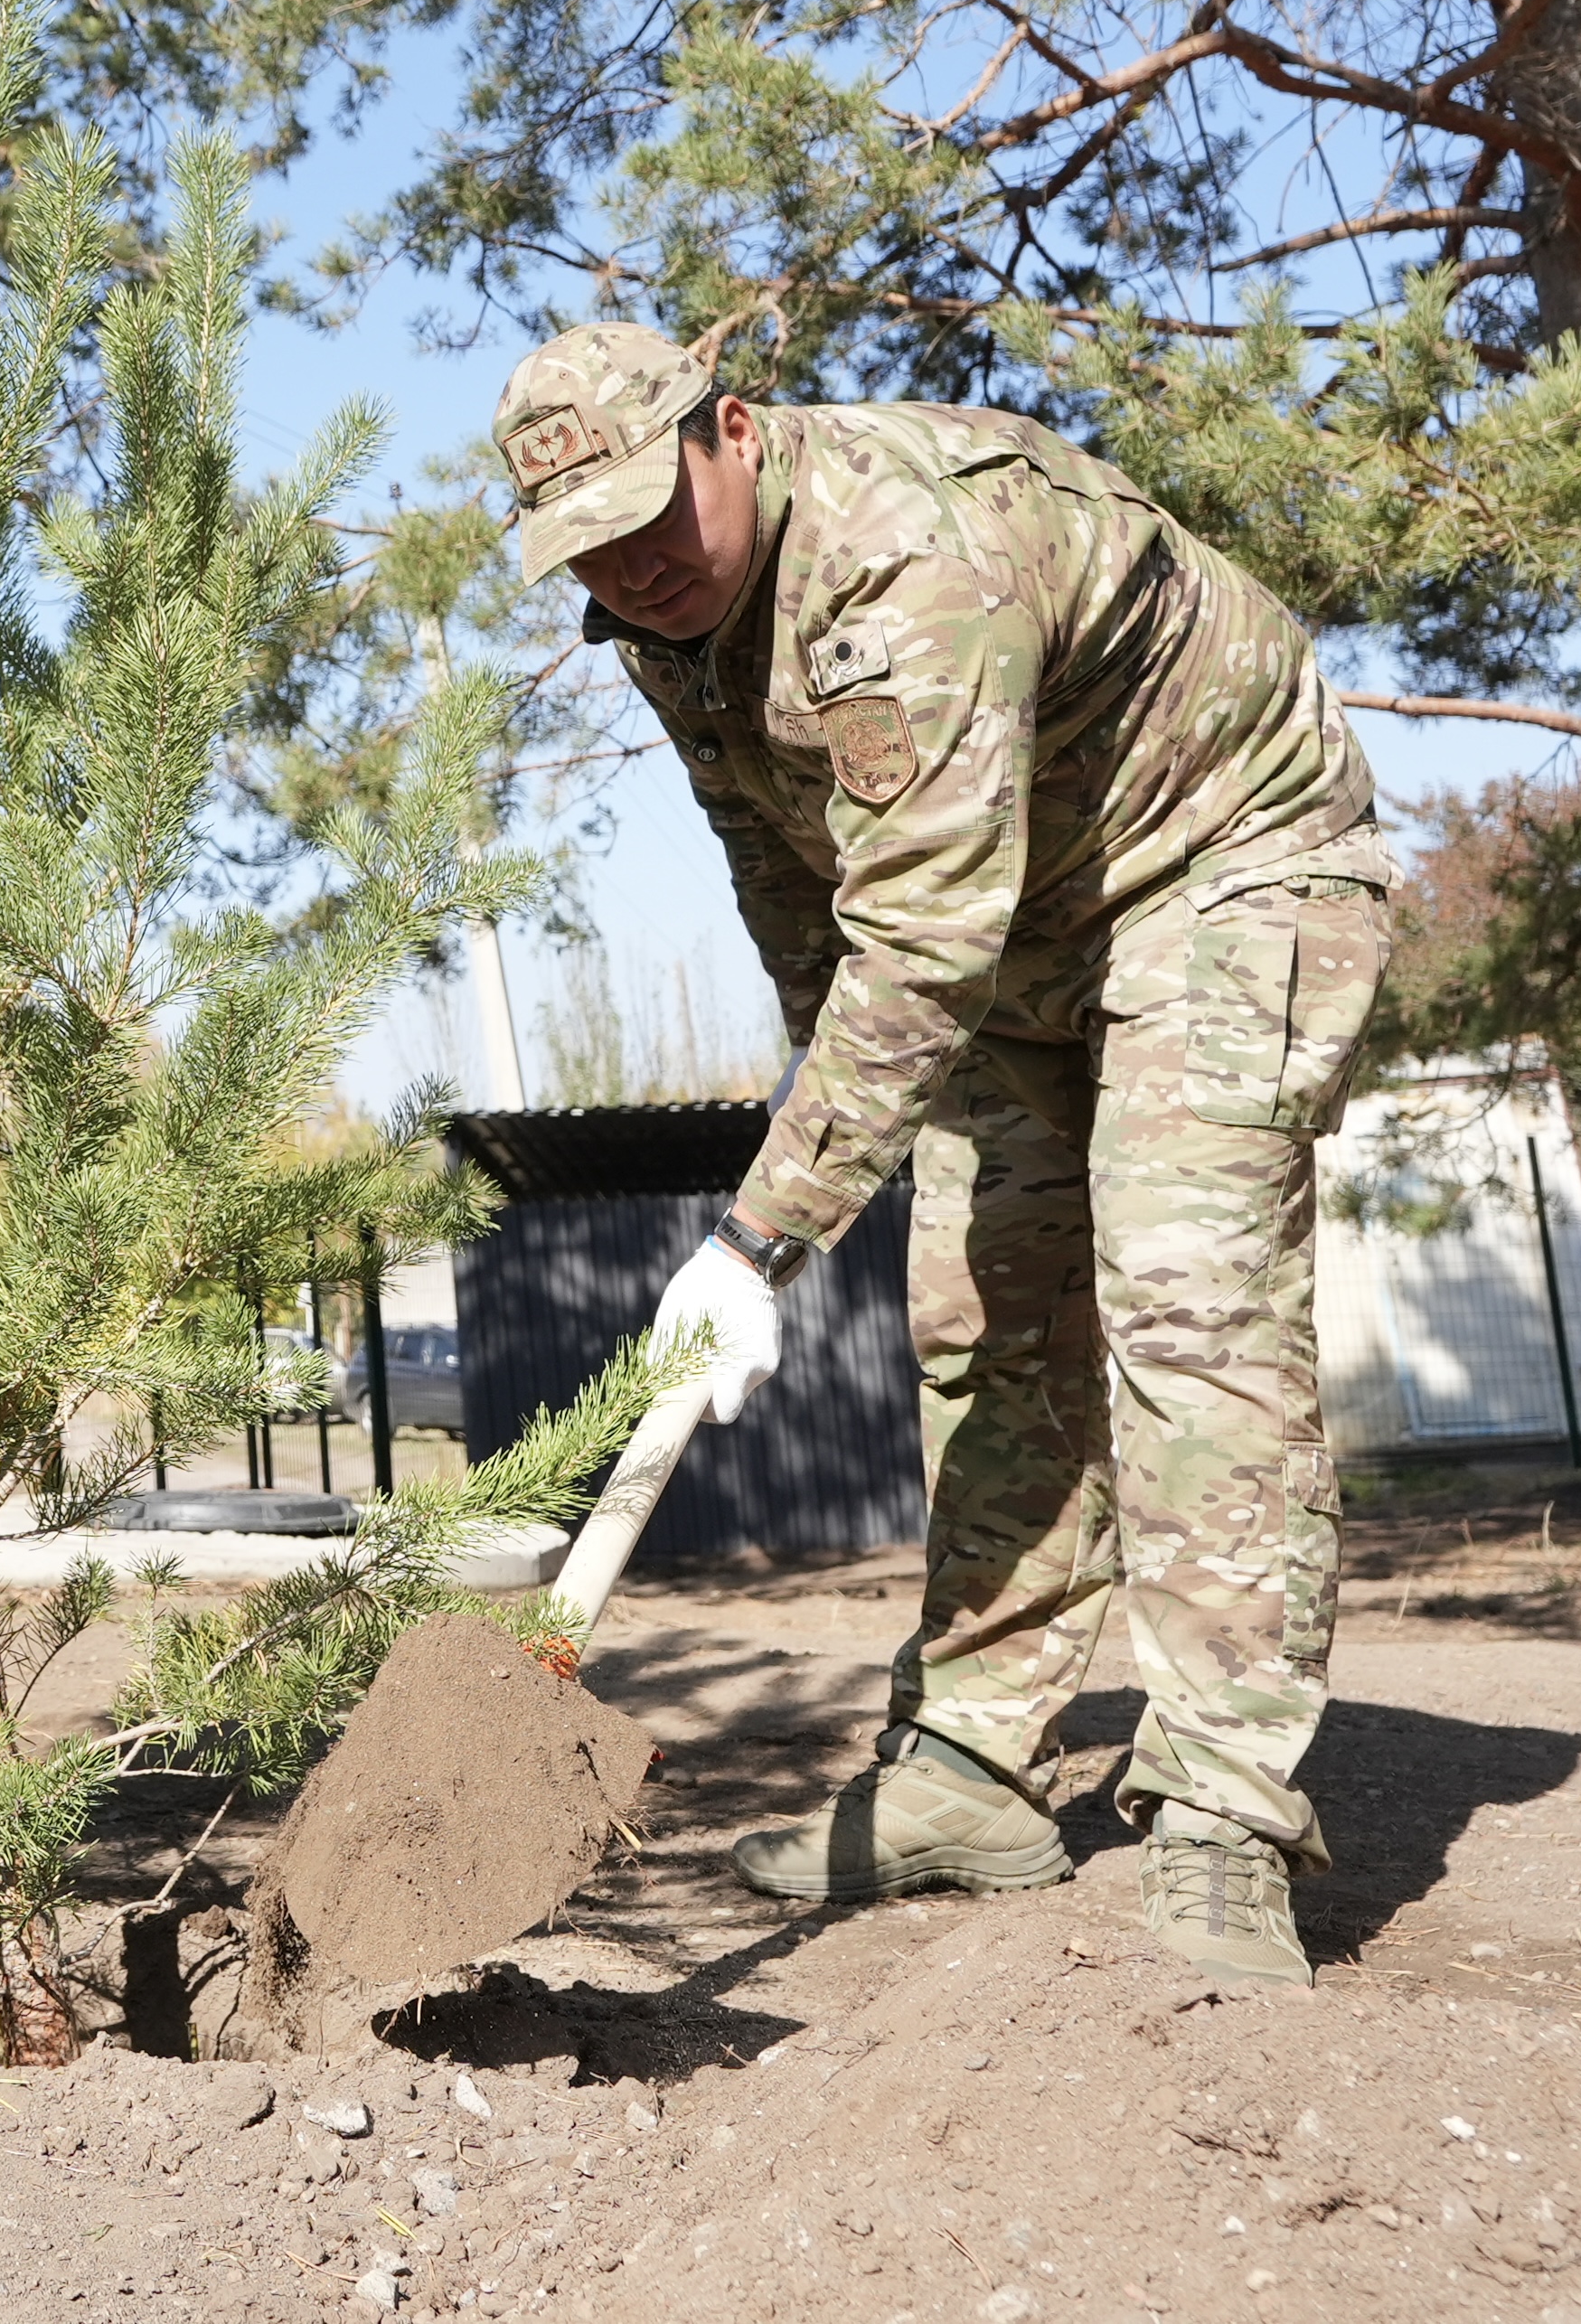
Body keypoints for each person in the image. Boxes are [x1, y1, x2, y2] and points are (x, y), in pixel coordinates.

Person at [490, 323, 1388, 1983]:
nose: (632, 563)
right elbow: (797, 892)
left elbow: (920, 941)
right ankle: (977, 1766)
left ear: (733, 429)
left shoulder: (910, 554)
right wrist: (810, 1140)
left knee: (1187, 1306)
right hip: (1008, 932)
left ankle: (1224, 1804)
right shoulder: (662, 621)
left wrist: (762, 1234)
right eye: (590, 544)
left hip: (1217, 867)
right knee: (987, 1319)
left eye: (649, 511)